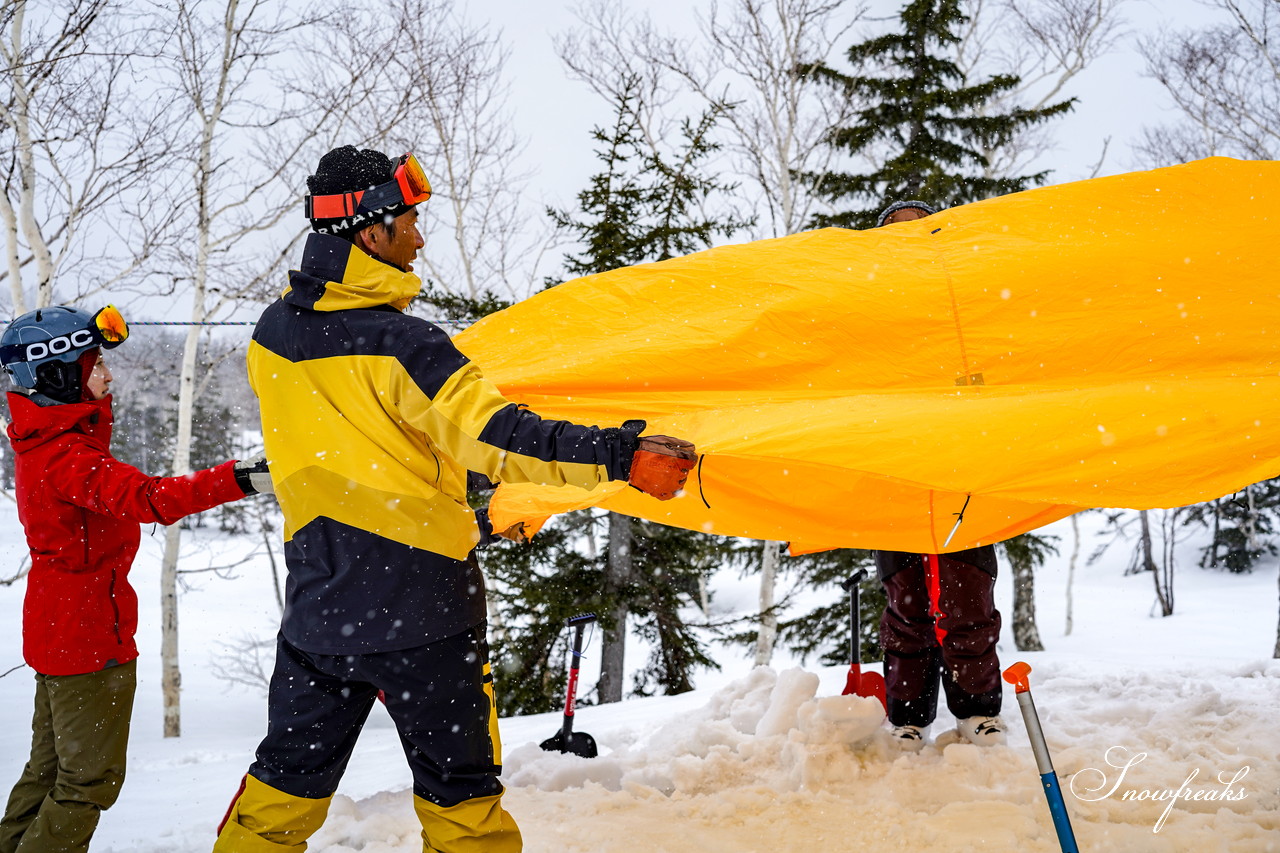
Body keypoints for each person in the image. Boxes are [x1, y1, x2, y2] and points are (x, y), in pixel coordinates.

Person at [214, 146, 697, 853]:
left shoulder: (271, 336)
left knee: (278, 797)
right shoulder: (403, 343)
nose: (419, 236)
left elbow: (348, 451)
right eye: (409, 220)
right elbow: (502, 441)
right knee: (462, 802)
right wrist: (621, 455)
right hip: (426, 611)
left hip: (320, 610)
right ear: (370, 233)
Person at [0, 304, 273, 853]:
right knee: (87, 782)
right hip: (85, 636)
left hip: (59, 628)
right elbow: (153, 499)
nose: (108, 375)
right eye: (94, 364)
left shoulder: (45, 444)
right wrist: (245, 479)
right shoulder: (68, 456)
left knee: (47, 771)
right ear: (59, 373)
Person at [873, 199, 1006, 750]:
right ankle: (908, 715)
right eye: (898, 231)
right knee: (905, 599)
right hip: (895, 464)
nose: (911, 238)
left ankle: (977, 712)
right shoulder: (872, 303)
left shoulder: (962, 300)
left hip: (958, 465)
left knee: (968, 594)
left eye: (921, 228)